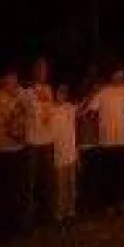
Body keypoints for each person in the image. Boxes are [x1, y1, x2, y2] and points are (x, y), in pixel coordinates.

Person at [82, 65, 124, 211]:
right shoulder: (103, 92)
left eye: (122, 77)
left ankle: (122, 200)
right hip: (106, 140)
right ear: (112, 77)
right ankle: (109, 203)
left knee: (122, 171)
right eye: (117, 76)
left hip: (121, 139)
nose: (119, 79)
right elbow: (91, 109)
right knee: (108, 173)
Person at [0, 68, 31, 243]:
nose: (13, 82)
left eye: (15, 78)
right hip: (0, 151)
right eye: (10, 79)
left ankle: (18, 227)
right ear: (2, 81)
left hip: (18, 148)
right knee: (3, 192)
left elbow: (31, 112)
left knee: (18, 190)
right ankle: (2, 232)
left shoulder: (22, 95)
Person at [21, 58, 55, 234]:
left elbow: (50, 112)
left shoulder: (49, 90)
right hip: (33, 143)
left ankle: (47, 219)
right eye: (40, 68)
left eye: (45, 68)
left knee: (47, 183)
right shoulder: (25, 92)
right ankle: (28, 223)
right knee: (30, 184)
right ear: (33, 71)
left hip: (47, 142)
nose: (43, 72)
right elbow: (18, 113)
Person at [49, 84, 79, 223]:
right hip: (58, 156)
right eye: (60, 92)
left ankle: (70, 212)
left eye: (65, 92)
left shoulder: (70, 108)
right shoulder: (50, 109)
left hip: (71, 154)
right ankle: (59, 215)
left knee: (71, 185)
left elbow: (83, 107)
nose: (62, 94)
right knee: (60, 188)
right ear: (55, 94)